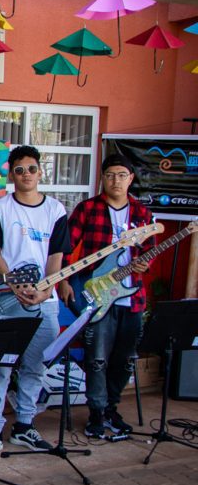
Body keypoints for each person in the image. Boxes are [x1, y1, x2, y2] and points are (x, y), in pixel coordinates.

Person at [0, 145, 70, 459]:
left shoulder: (55, 210)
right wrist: (13, 284)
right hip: (6, 298)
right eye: (19, 170)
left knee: (36, 366)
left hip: (45, 301)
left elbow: (56, 255)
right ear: (11, 174)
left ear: (40, 172)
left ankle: (25, 425)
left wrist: (46, 288)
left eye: (31, 169)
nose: (26, 175)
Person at [58, 154, 153, 438]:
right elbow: (65, 246)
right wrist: (64, 280)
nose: (116, 180)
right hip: (97, 294)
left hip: (131, 298)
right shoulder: (88, 208)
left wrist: (146, 263)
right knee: (97, 359)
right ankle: (96, 413)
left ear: (130, 179)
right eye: (110, 175)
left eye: (122, 175)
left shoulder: (142, 213)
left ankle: (112, 408)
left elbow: (151, 248)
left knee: (125, 359)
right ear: (102, 178)